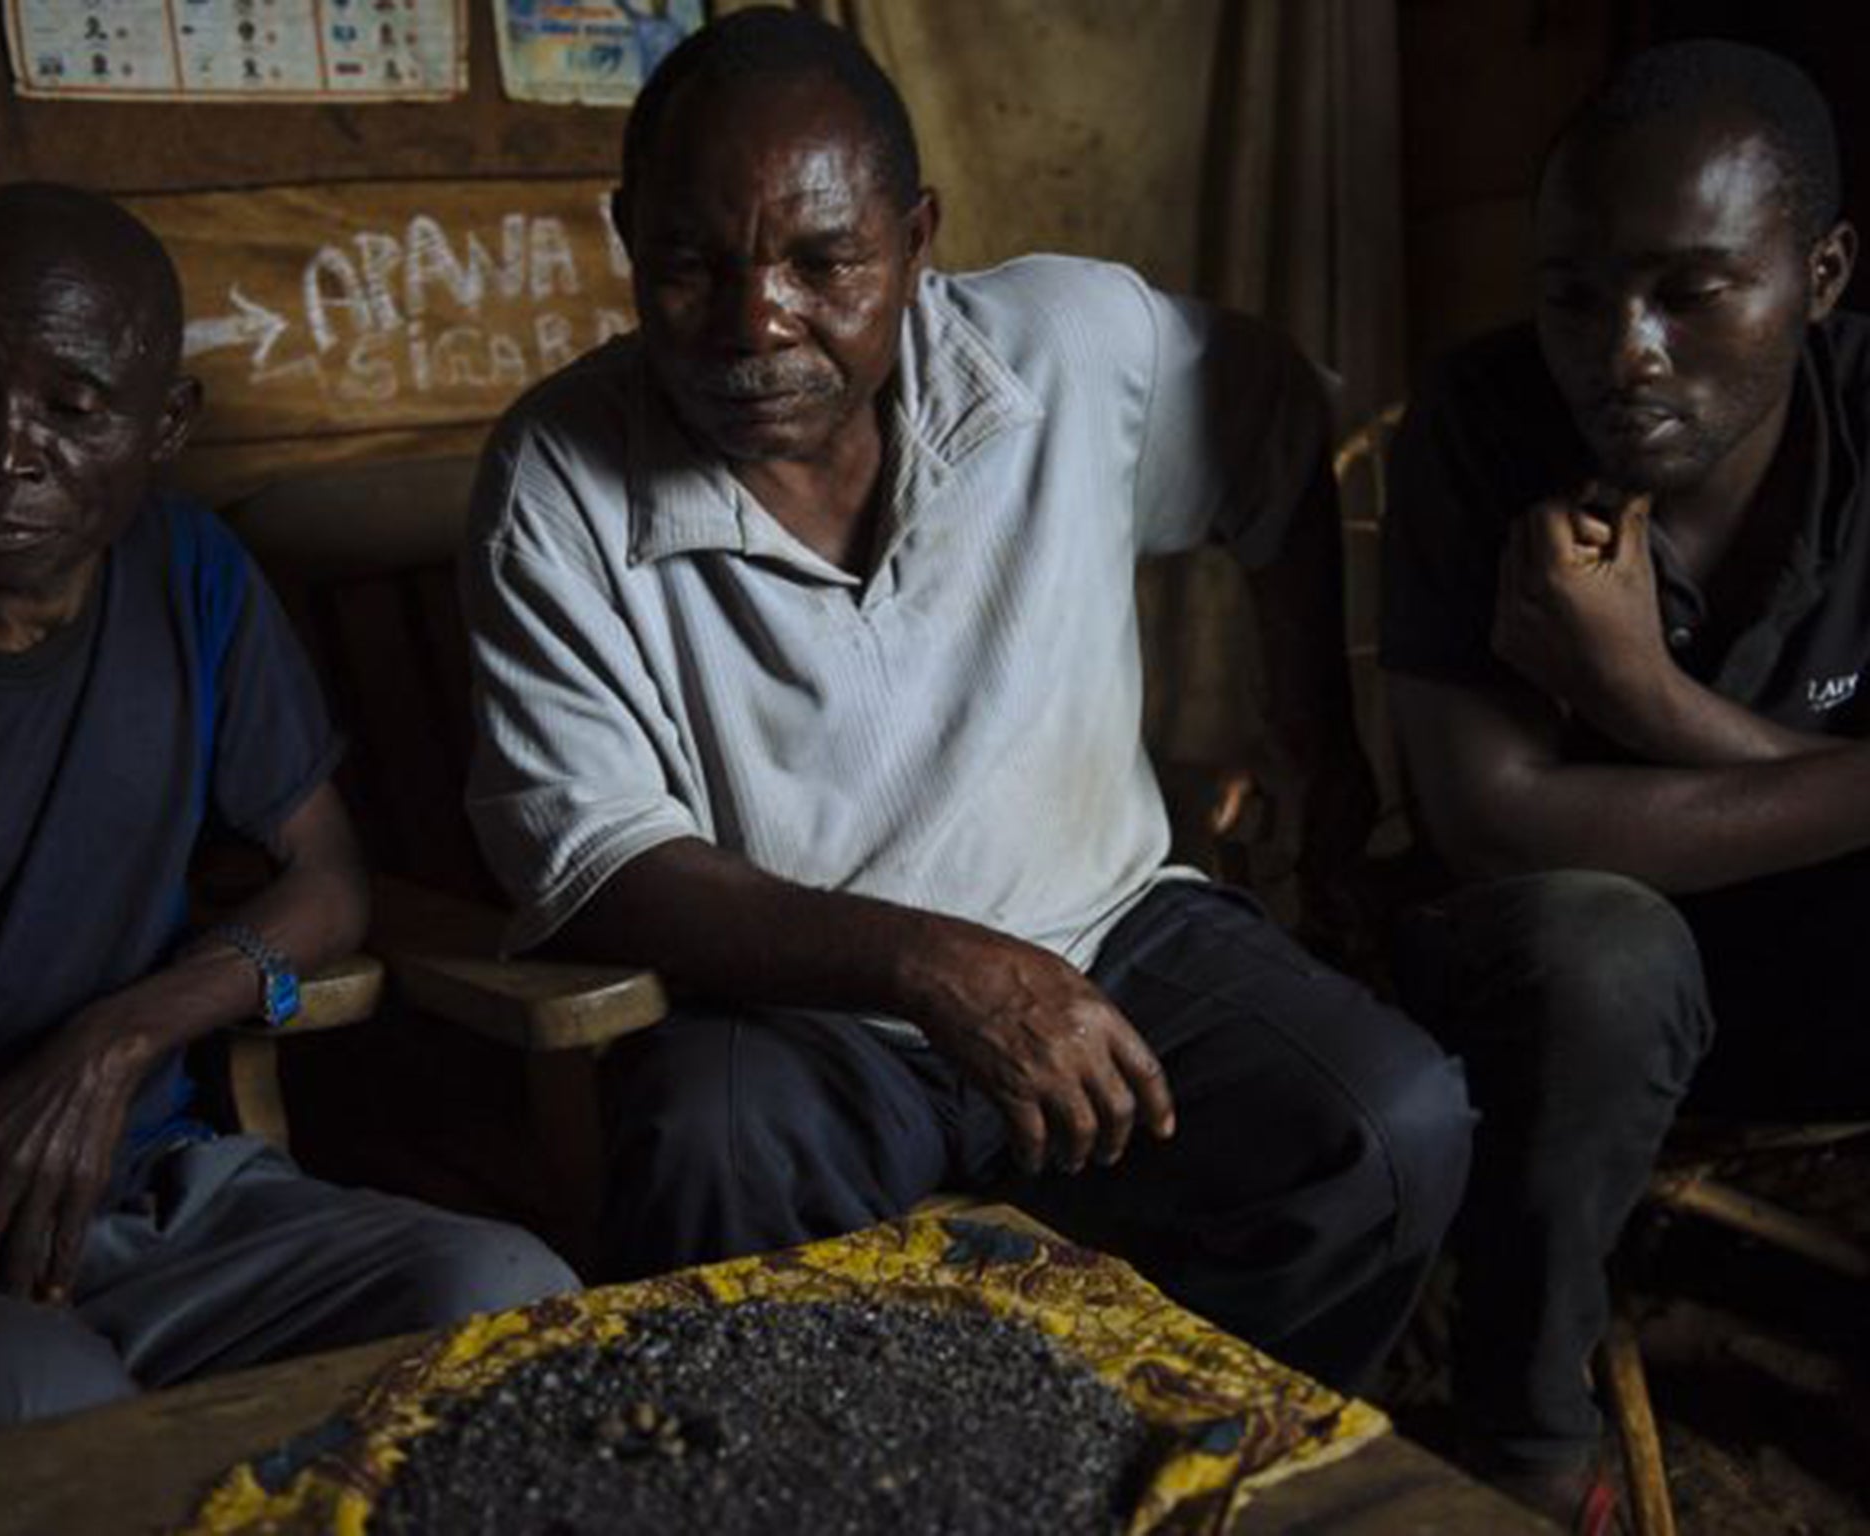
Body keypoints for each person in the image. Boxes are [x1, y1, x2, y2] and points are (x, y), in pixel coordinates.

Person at [463, 7, 1471, 1394]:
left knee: (1389, 1123)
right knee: (704, 1170)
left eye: (825, 263)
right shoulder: (558, 475)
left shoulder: (1065, 347)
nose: (760, 323)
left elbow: (1275, 432)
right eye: (694, 263)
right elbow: (595, 863)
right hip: (807, 1011)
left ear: (919, 238)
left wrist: (1310, 745)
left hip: (1114, 935)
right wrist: (939, 967)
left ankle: (1145, 1454)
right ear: (630, 234)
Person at [0, 184, 576, 1453]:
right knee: (42, 1402)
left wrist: (117, 1040)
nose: (3, 452)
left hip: (162, 1198)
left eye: (72, 408)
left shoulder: (188, 572)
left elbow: (324, 879)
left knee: (508, 1298)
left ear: (166, 423)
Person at [1381, 39, 1866, 1527]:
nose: (1623, 350)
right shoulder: (1478, 425)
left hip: (1834, 982)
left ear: (1823, 275)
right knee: (1601, 939)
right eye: (1575, 295)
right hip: (1554, 1008)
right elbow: (1495, 816)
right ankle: (1528, 1455)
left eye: (1690, 291)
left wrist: (1635, 696)